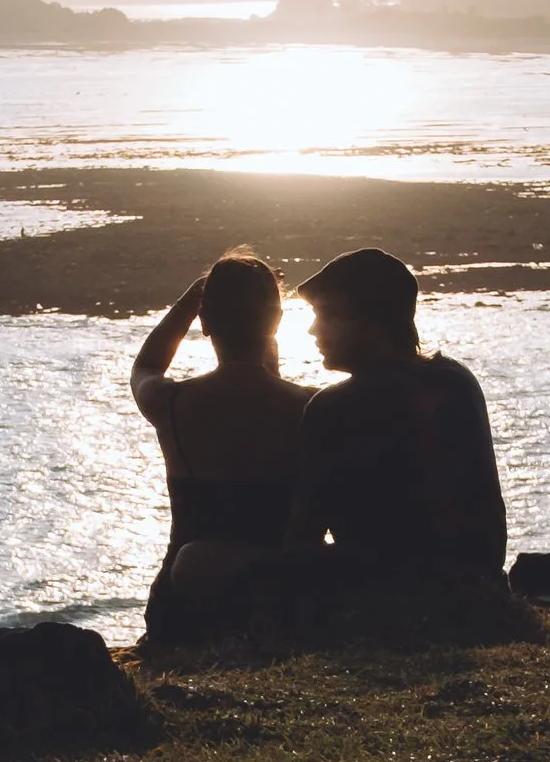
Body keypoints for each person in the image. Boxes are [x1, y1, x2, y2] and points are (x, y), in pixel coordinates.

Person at [285, 246, 507, 585]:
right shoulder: (457, 380)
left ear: (372, 321)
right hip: (476, 584)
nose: (314, 330)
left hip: (387, 596)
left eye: (328, 315)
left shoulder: (333, 407)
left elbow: (303, 534)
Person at [130, 249, 311, 635]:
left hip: (183, 602)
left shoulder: (172, 401)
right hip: (277, 599)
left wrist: (186, 306)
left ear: (205, 322)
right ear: (276, 323)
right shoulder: (310, 405)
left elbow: (145, 367)